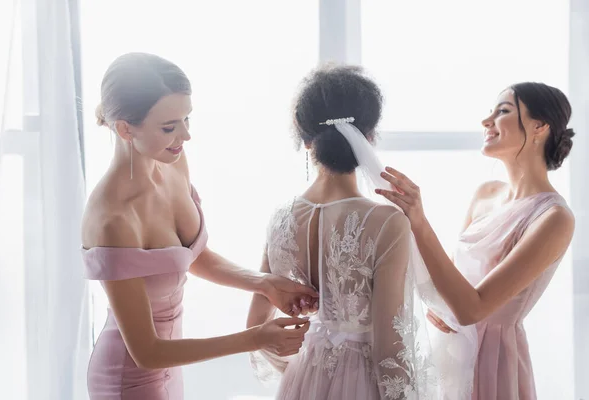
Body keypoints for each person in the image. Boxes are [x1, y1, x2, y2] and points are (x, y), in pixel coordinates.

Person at [80, 52, 317, 400]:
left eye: (187, 119)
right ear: (124, 129)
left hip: (171, 364)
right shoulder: (112, 220)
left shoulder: (171, 161)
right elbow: (146, 352)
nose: (185, 136)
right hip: (130, 376)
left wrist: (265, 283)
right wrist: (256, 337)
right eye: (169, 126)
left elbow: (189, 254)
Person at [246, 65, 476, 400]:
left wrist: (303, 372)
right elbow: (389, 345)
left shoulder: (280, 218)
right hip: (363, 385)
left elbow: (256, 326)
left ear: (306, 137)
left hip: (302, 378)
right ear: (369, 137)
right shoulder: (384, 220)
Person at [376, 82, 576, 400]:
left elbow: (473, 308)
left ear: (539, 126)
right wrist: (440, 308)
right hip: (451, 351)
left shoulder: (554, 218)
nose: (487, 121)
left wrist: (420, 221)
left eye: (504, 111)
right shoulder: (484, 194)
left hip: (493, 361)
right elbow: (453, 288)